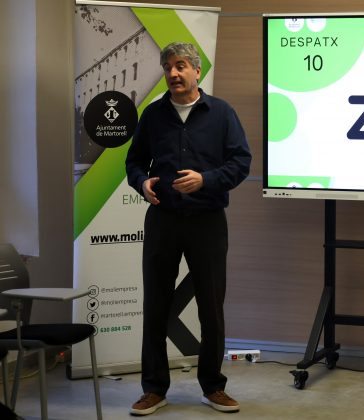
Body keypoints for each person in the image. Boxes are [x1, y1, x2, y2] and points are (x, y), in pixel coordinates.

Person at [125, 41, 251, 416]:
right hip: (162, 219)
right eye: (168, 67)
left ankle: (213, 387)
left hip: (207, 221)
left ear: (197, 70)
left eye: (180, 66)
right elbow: (134, 162)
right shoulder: (152, 115)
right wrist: (142, 183)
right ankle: (153, 389)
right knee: (155, 305)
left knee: (211, 307)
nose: (173, 73)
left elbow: (241, 162)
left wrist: (205, 180)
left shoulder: (222, 113)